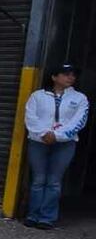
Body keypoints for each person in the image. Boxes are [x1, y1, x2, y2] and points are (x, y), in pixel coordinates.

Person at [24, 63, 89, 230]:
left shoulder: (80, 98)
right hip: (38, 142)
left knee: (54, 181)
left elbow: (79, 121)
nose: (70, 77)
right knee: (38, 179)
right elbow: (31, 117)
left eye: (73, 75)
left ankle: (46, 218)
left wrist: (58, 136)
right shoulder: (37, 96)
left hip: (65, 144)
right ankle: (32, 215)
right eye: (66, 74)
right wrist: (43, 134)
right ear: (54, 77)